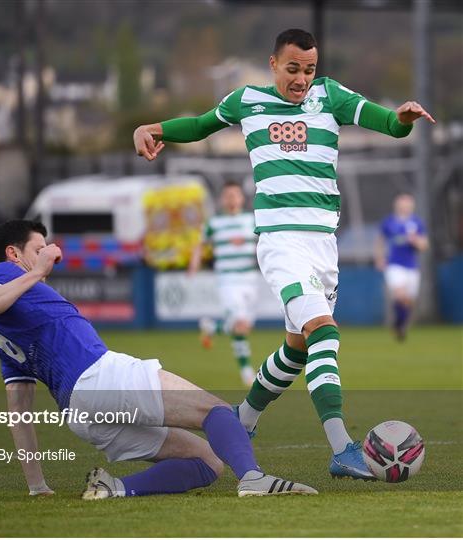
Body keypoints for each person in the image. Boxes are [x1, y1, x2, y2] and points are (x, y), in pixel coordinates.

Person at [133, 28, 435, 480]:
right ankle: (341, 447)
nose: (302, 78)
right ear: (273, 64)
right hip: (281, 242)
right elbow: (199, 126)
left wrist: (403, 116)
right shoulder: (246, 100)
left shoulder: (331, 96)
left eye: (309, 69)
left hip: (322, 246)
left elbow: (388, 124)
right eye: (293, 68)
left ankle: (242, 421)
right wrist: (151, 127)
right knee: (322, 331)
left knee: (296, 349)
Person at [0, 220, 317, 499]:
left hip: (80, 413)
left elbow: (19, 414)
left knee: (207, 461)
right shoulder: (4, 274)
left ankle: (115, 489)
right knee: (216, 411)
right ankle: (254, 478)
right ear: (13, 253)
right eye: (39, 248)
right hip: (99, 377)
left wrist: (37, 485)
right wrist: (36, 272)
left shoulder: (7, 332)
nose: (48, 255)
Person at [189, 181, 258, 386]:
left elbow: (265, 240)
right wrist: (194, 264)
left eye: (234, 195)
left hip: (250, 280)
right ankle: (246, 370)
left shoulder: (251, 220)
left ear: (241, 198)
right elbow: (199, 245)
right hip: (228, 280)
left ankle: (212, 327)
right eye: (227, 195)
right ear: (222, 199)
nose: (231, 199)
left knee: (244, 327)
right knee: (240, 324)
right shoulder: (214, 223)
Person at [375, 193, 429, 340]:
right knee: (400, 295)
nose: (405, 207)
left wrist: (415, 241)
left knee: (409, 301)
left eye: (407, 204)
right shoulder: (389, 222)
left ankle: (400, 325)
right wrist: (379, 258)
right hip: (394, 265)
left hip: (411, 266)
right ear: (397, 205)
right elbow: (380, 241)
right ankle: (399, 327)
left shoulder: (417, 223)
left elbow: (424, 245)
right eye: (402, 204)